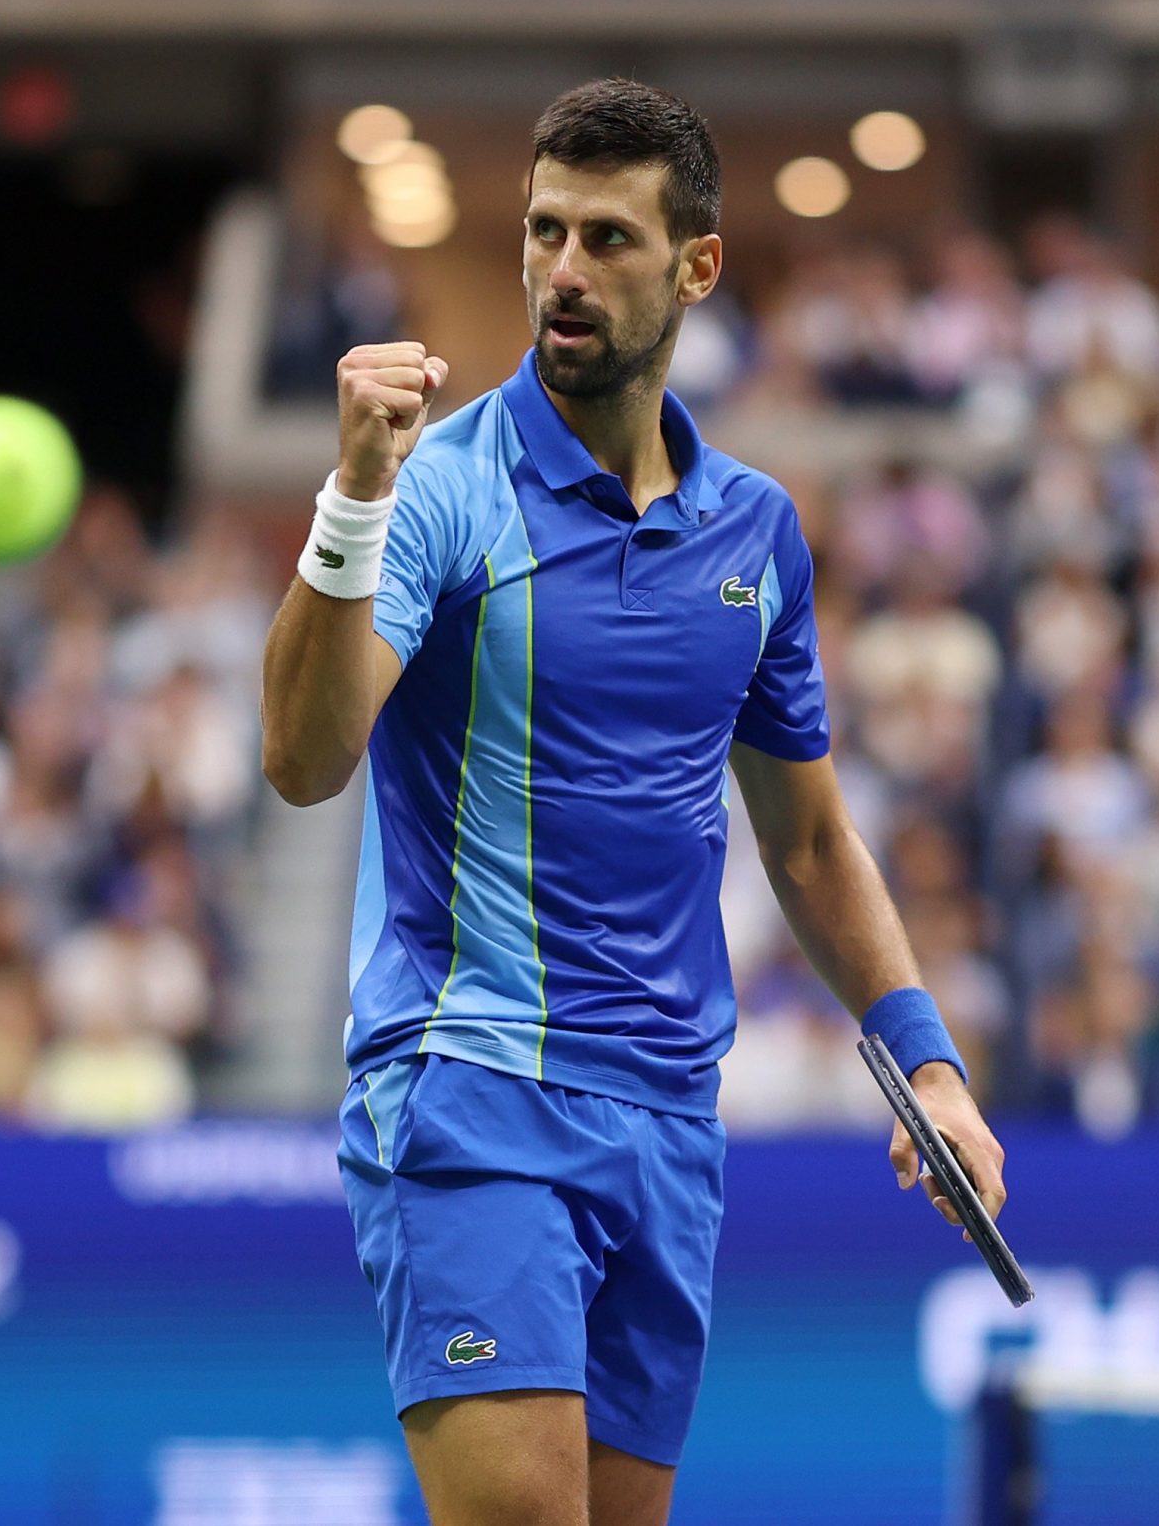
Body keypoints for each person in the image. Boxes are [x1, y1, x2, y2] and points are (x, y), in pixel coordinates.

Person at [259, 79, 1004, 1526]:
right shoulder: (446, 490)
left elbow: (806, 835)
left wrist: (927, 1060)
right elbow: (301, 758)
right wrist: (351, 499)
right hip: (473, 1087)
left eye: (607, 237)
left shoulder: (757, 531)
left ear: (696, 265)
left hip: (670, 1115)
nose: (564, 271)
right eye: (545, 234)